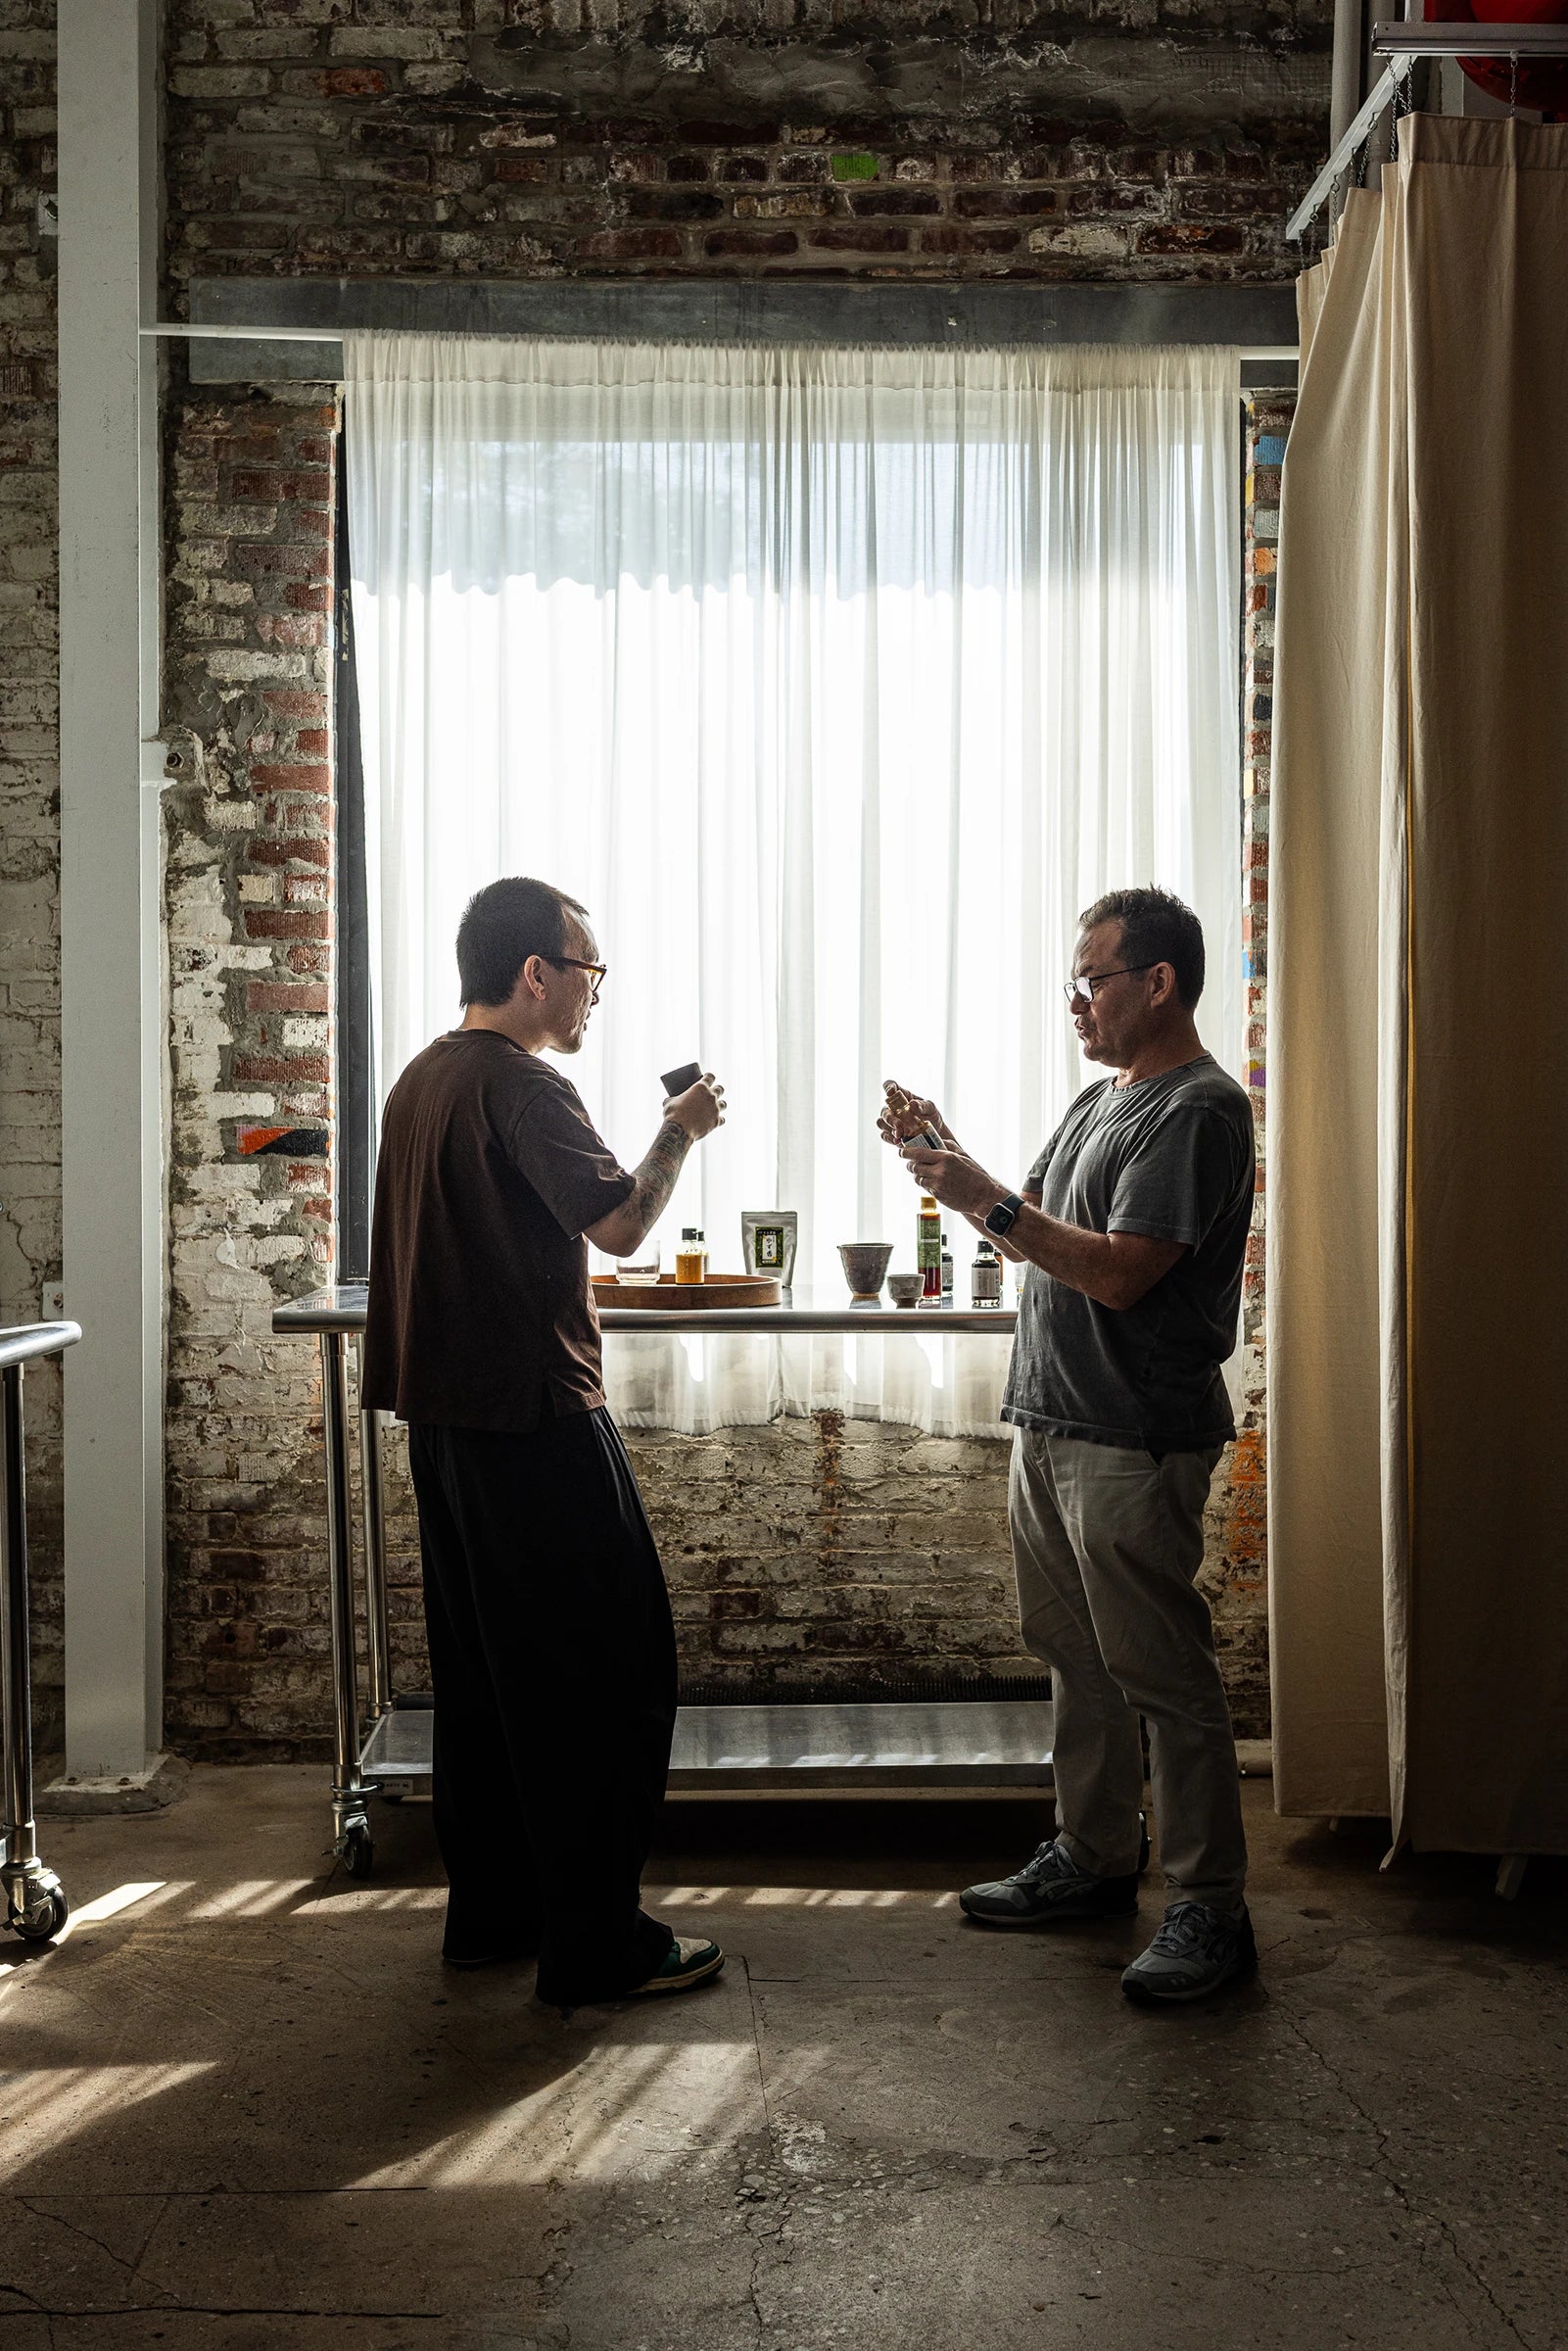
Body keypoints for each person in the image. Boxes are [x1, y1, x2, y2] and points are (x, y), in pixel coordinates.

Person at [879, 886, 1258, 2005]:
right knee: (1073, 1653)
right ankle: (1092, 1858)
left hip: (1132, 1432)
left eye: (1090, 979)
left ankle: (1209, 1907)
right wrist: (953, 1158)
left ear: (1156, 983)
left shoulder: (1193, 1111)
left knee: (1160, 1670)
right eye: (1072, 981)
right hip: (1049, 1415)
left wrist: (976, 1193)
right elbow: (1044, 1218)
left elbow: (1115, 1269)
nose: (1075, 1002)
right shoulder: (1103, 1100)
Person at [361, 875, 728, 2006]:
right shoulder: (526, 1085)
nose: (592, 996)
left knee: (488, 1683)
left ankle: (494, 1916)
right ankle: (594, 1944)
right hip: (534, 1419)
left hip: (447, 1426)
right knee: (606, 1678)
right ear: (535, 974)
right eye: (588, 972)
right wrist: (679, 1129)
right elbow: (618, 1225)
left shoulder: (421, 1079)